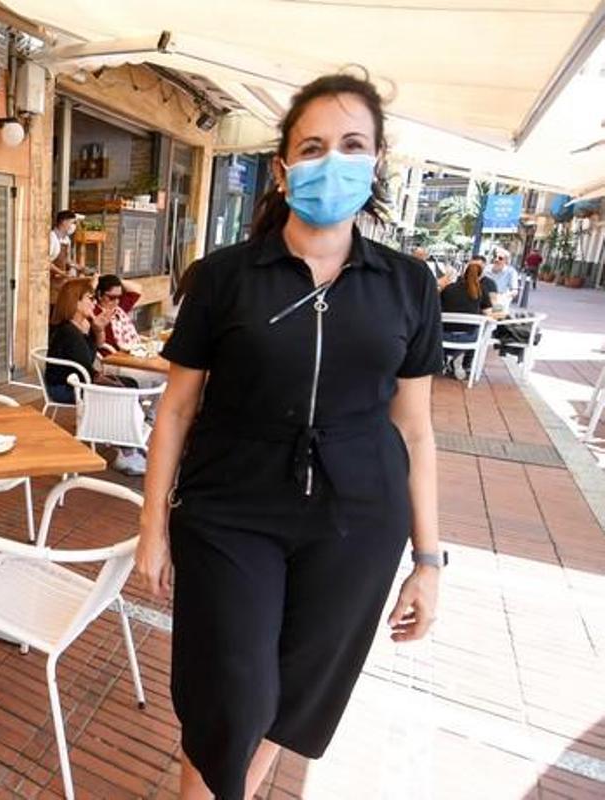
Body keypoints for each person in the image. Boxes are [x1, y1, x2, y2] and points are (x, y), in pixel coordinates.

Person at [135, 73, 443, 800]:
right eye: (313, 146)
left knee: (300, 691)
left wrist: (428, 561)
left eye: (352, 145)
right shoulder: (223, 276)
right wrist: (151, 524)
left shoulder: (408, 284)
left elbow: (417, 430)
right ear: (283, 167)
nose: (331, 160)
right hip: (230, 508)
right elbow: (176, 408)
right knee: (231, 689)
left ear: (375, 164)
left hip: (358, 519)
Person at [45, 279, 147, 476]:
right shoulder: (68, 332)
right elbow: (87, 368)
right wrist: (110, 381)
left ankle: (126, 437)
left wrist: (98, 328)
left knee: (130, 384)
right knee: (121, 391)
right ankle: (125, 450)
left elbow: (90, 356)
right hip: (63, 387)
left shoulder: (78, 326)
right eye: (90, 298)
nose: (94, 302)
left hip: (77, 380)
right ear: (75, 302)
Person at [439, 258, 495, 378]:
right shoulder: (481, 291)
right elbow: (488, 314)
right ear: (480, 276)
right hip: (468, 339)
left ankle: (444, 360)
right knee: (480, 329)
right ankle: (465, 364)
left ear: (464, 273)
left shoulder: (449, 288)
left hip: (443, 336)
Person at [94, 274, 144, 353]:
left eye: (119, 297)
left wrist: (112, 279)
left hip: (134, 352)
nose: (116, 301)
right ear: (100, 295)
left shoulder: (119, 307)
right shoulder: (94, 311)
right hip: (114, 357)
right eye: (112, 297)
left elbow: (137, 288)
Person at [49, 210, 83, 301]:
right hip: (51, 281)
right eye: (72, 223)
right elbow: (46, 262)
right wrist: (62, 273)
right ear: (64, 222)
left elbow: (67, 260)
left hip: (61, 281)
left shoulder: (67, 239)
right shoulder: (52, 237)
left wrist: (77, 266)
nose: (73, 226)